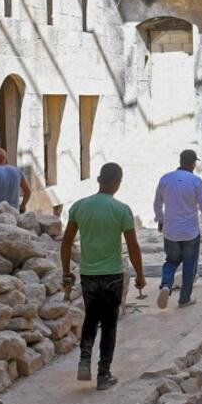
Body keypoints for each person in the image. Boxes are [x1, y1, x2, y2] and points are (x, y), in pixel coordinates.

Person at [60, 162, 146, 390]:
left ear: (99, 180)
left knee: (91, 318)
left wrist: (66, 271)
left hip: (88, 274)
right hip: (113, 275)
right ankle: (104, 374)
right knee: (109, 324)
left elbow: (67, 241)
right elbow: (133, 245)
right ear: (118, 183)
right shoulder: (122, 210)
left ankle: (84, 359)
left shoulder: (79, 207)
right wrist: (140, 274)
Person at [153, 149, 202, 310]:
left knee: (171, 261)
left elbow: (157, 202)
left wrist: (160, 220)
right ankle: (184, 299)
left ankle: (166, 285)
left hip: (170, 231)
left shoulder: (165, 179)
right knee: (189, 265)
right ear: (193, 164)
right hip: (190, 232)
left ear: (180, 161)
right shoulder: (196, 181)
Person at [0, 148, 31, 213]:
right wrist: (23, 206)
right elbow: (28, 191)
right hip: (14, 212)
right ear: (5, 159)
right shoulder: (17, 171)